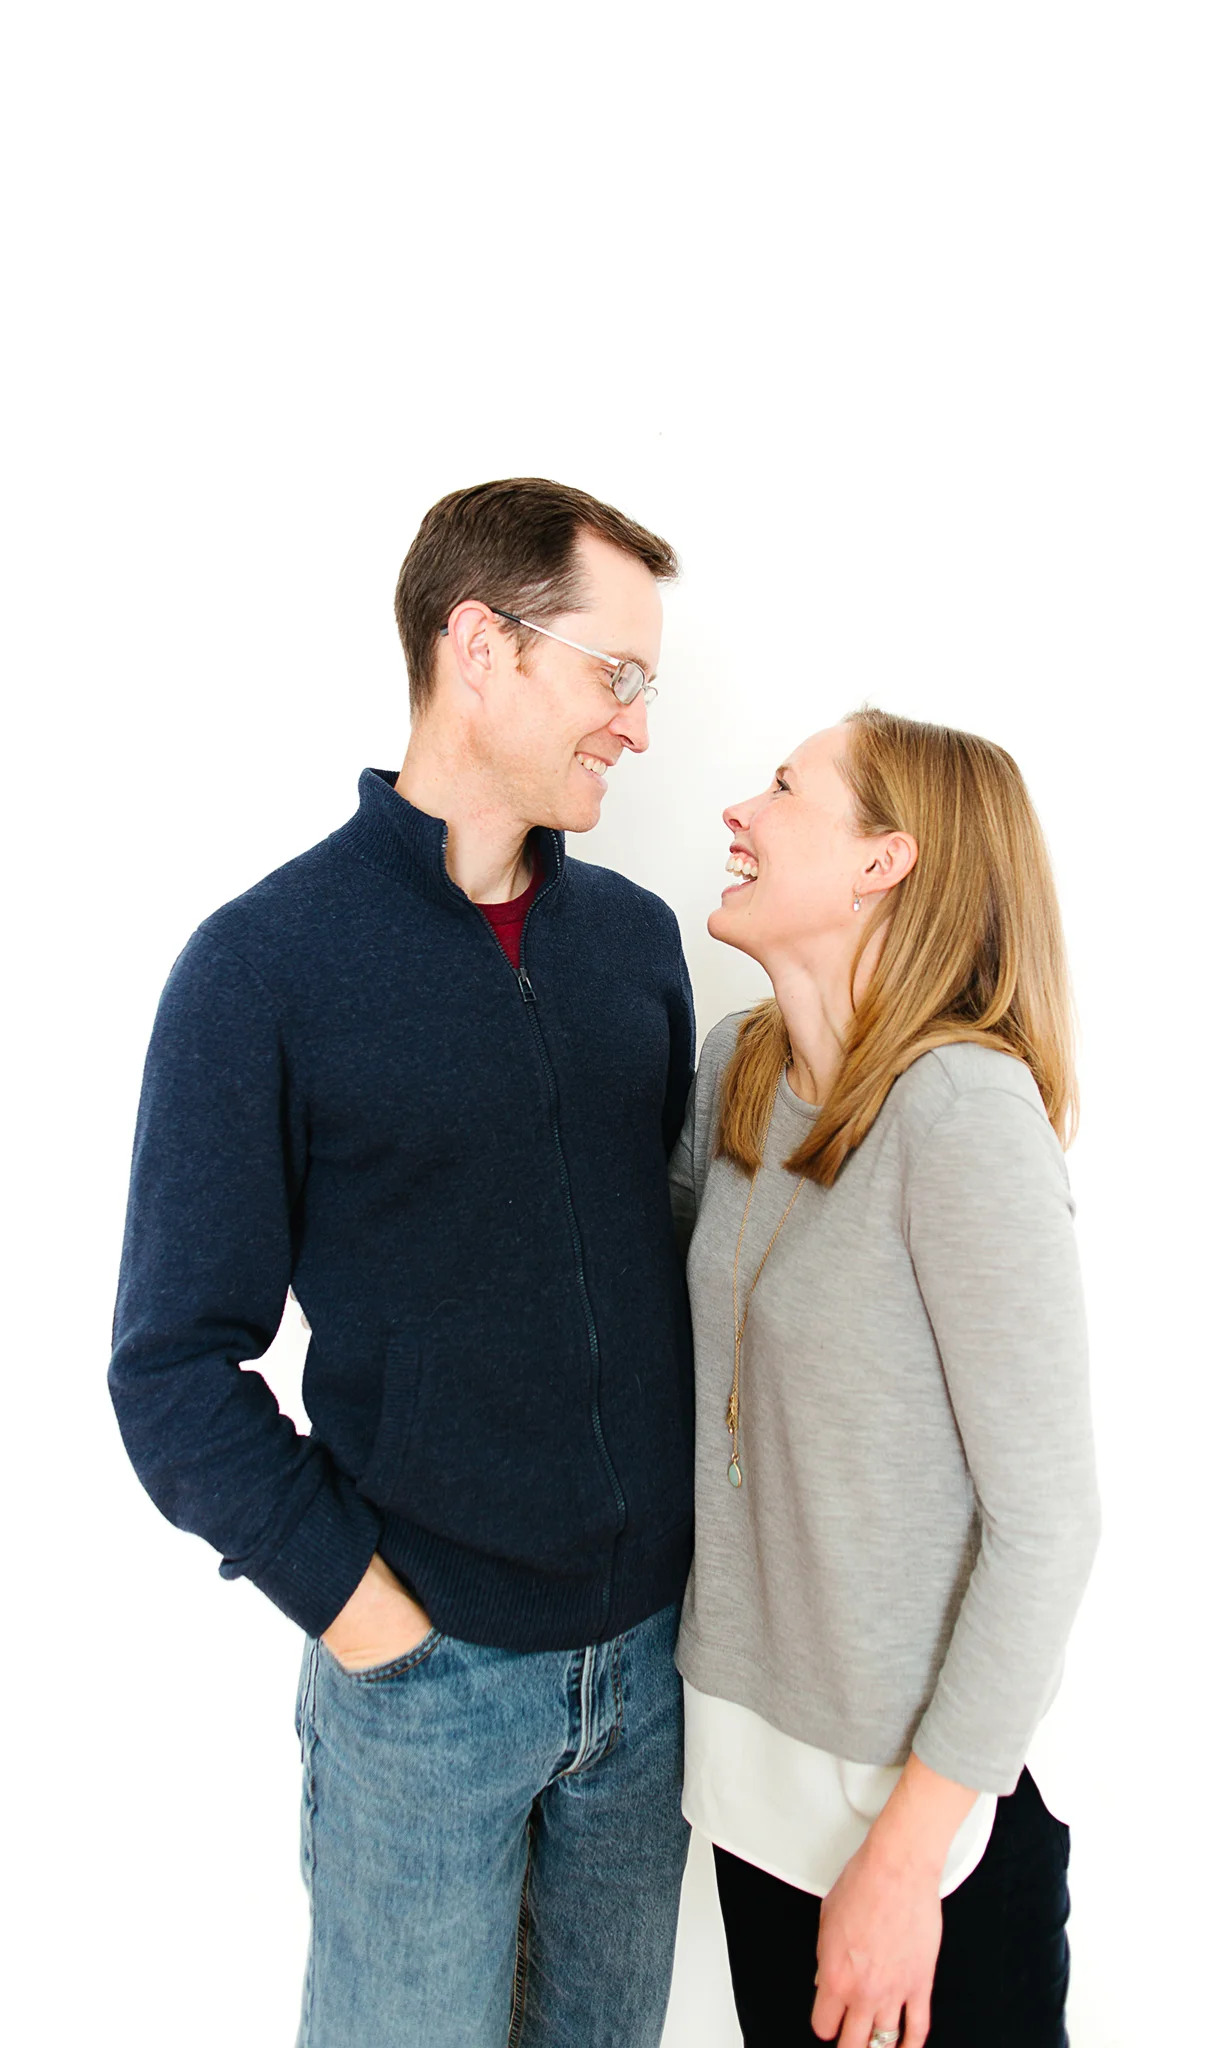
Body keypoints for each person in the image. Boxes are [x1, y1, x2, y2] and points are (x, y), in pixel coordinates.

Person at [109, 478, 697, 2048]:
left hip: (649, 1679)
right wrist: (367, 1617)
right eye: (616, 675)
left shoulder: (635, 946)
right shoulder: (264, 966)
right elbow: (172, 1369)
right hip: (428, 1689)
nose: (639, 727)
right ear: (480, 646)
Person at [670, 710, 1101, 2048]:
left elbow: (1048, 1527)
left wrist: (906, 1864)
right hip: (752, 1809)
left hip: (921, 1854)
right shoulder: (738, 1071)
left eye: (784, 789)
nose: (739, 811)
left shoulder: (963, 1113)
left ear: (883, 861)